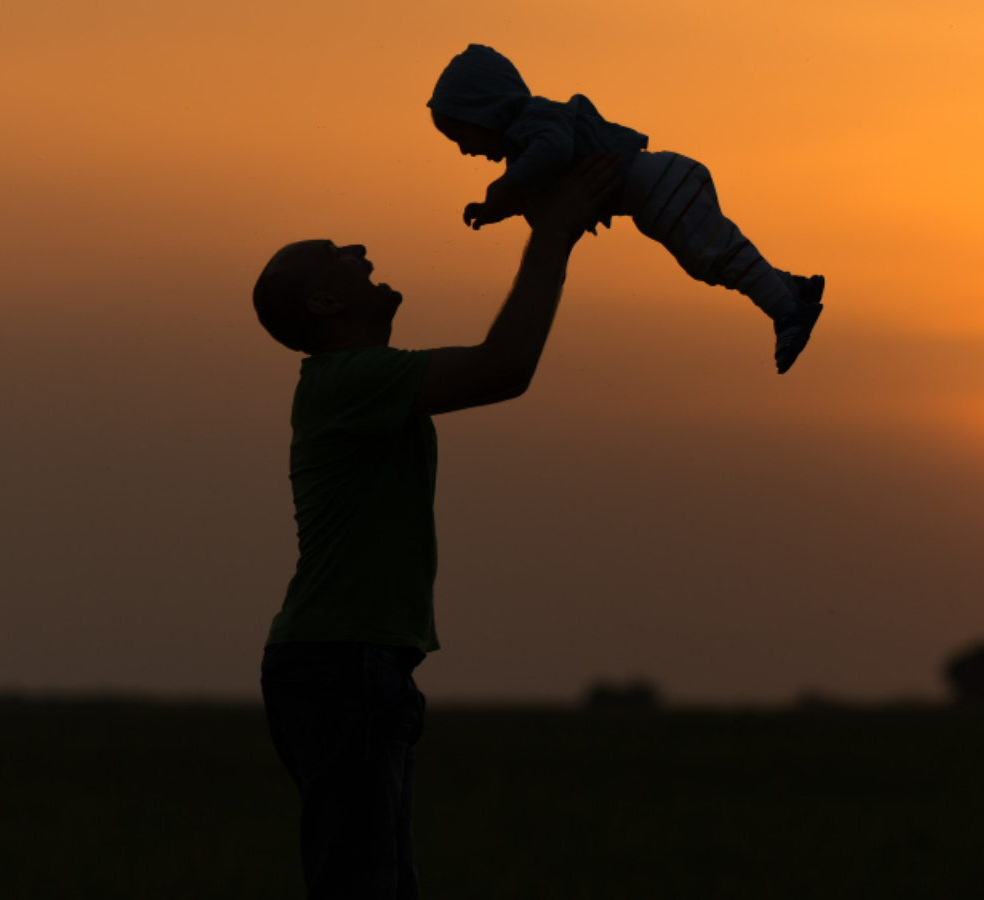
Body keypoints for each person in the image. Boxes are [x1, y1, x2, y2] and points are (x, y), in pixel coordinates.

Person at [251, 152, 622, 900]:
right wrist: (552, 236)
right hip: (341, 663)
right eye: (340, 257)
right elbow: (505, 367)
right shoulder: (351, 381)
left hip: (350, 664)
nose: (360, 252)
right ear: (326, 305)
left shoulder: (364, 384)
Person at [428, 43, 825, 374]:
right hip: (662, 188)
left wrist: (506, 184)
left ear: (484, 109)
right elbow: (537, 192)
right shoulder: (524, 148)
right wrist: (496, 206)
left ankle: (787, 311)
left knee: (717, 255)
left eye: (462, 135)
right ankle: (793, 287)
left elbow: (553, 150)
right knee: (709, 260)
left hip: (659, 188)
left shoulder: (537, 120)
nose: (465, 149)